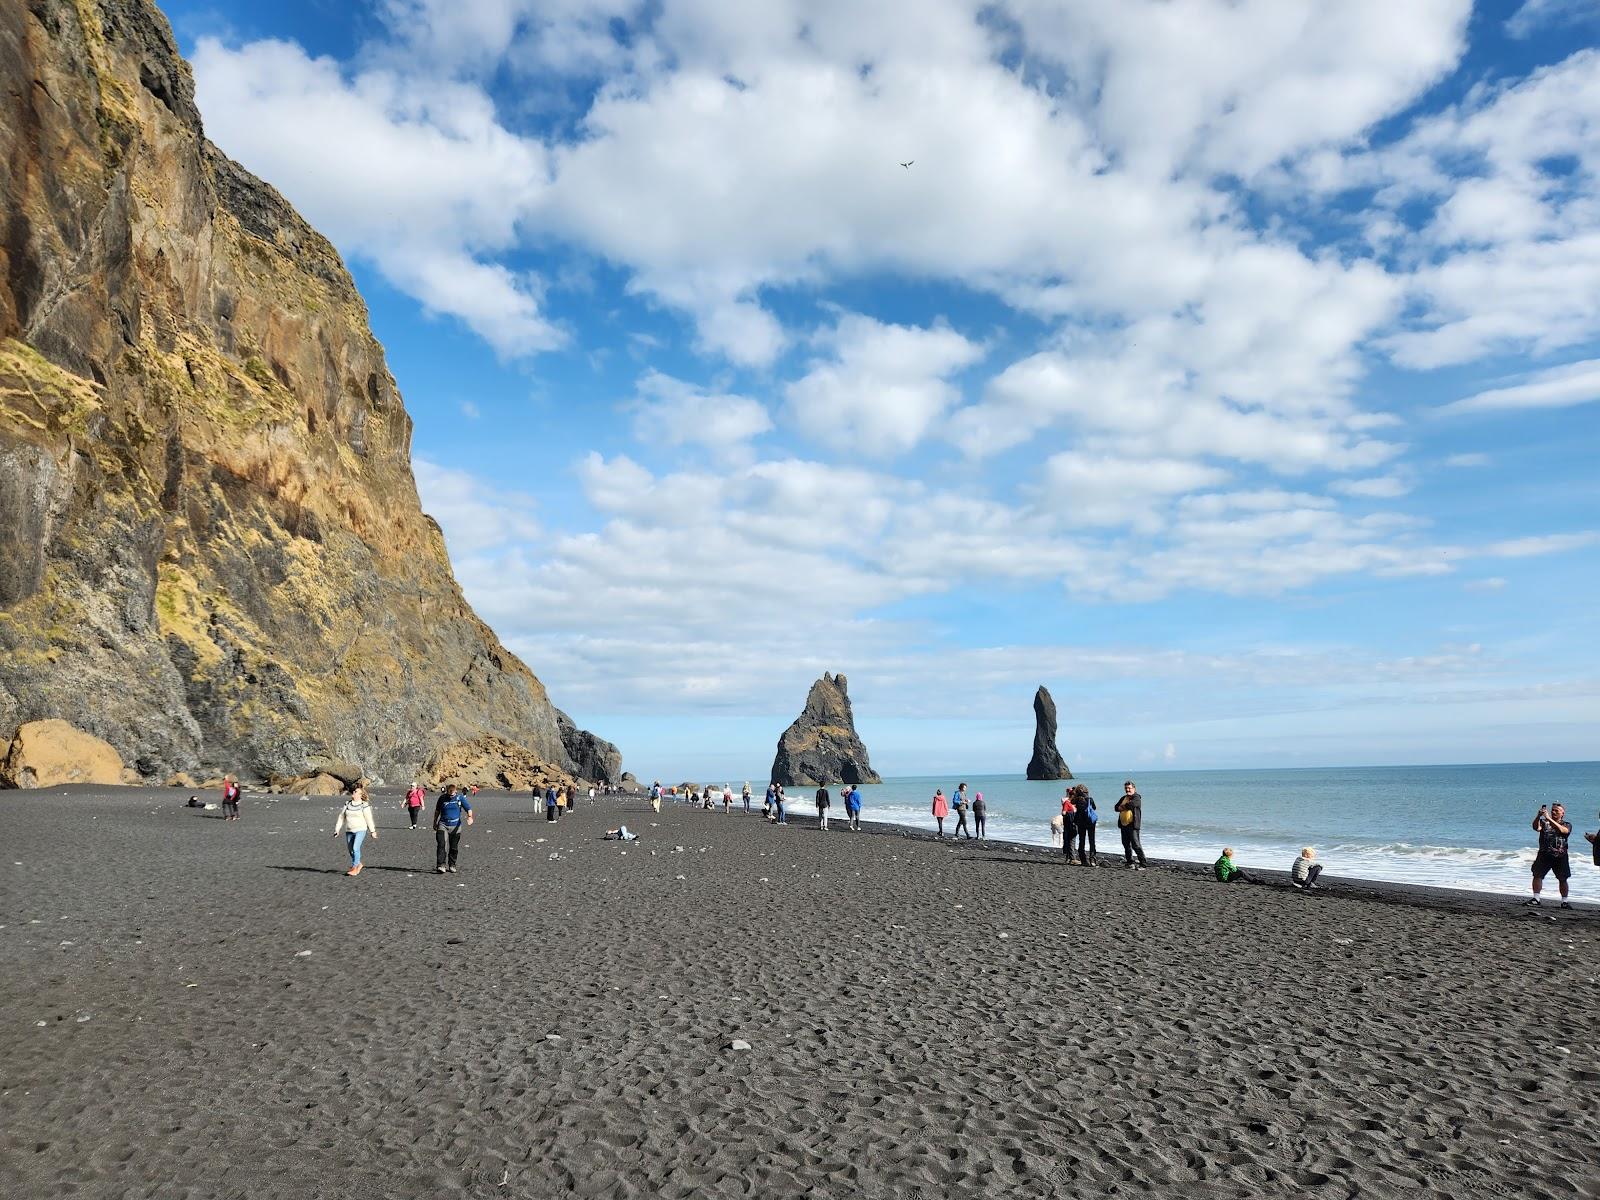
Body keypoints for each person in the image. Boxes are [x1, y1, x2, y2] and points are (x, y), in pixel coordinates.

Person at [1528, 803, 1573, 908]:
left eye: (1556, 810)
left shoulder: (1566, 824)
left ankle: (1564, 901)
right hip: (1544, 853)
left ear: (1562, 813)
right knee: (1537, 875)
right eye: (1552, 810)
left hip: (1560, 856)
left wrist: (1549, 818)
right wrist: (1539, 816)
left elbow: (1563, 831)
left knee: (1563, 878)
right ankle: (1536, 898)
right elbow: (1536, 828)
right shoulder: (1544, 822)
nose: (1553, 812)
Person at [334, 784, 379, 876]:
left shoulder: (364, 805)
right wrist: (337, 829)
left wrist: (372, 831)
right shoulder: (347, 804)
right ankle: (358, 864)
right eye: (354, 791)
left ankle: (355, 868)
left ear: (360, 795)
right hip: (349, 830)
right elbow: (341, 817)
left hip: (360, 829)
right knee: (351, 850)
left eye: (356, 792)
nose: (353, 792)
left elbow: (369, 819)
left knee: (355, 848)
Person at [433, 784, 473, 874]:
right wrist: (434, 822)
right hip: (443, 824)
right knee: (441, 844)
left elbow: (468, 809)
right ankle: (441, 865)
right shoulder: (442, 798)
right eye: (449, 794)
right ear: (447, 791)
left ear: (455, 791)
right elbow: (437, 811)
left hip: (456, 826)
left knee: (454, 847)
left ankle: (452, 864)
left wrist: (470, 817)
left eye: (453, 794)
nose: (451, 796)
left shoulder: (460, 798)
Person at [1114, 780, 1147, 870]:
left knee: (1136, 845)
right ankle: (1130, 862)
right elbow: (1116, 807)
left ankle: (1143, 863)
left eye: (1129, 788)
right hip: (1123, 825)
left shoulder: (1136, 797)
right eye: (1126, 788)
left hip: (1133, 825)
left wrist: (1123, 806)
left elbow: (1132, 805)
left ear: (1134, 788)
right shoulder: (1123, 798)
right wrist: (1120, 807)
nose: (1127, 790)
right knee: (1126, 844)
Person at [1074, 785, 1098, 866]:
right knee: (1092, 840)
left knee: (1082, 841)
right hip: (1090, 821)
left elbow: (1071, 801)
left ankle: (1083, 859)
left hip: (1081, 822)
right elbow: (1094, 808)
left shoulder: (1076, 800)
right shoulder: (1089, 799)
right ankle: (1092, 859)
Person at [1059, 789, 1078, 864]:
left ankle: (1069, 858)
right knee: (1071, 840)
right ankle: (1072, 858)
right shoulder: (1067, 803)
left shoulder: (1072, 803)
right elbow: (1063, 812)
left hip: (1072, 823)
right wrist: (1071, 813)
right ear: (1072, 796)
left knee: (1070, 840)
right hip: (1069, 824)